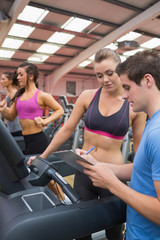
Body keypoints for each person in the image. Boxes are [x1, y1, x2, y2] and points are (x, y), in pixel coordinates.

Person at [28, 48, 146, 240]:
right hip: (83, 172)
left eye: (110, 73)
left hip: (112, 175)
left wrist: (142, 183)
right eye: (99, 75)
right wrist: (42, 157)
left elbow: (140, 150)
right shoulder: (87, 96)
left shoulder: (133, 105)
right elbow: (66, 130)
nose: (105, 79)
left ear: (120, 70)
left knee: (114, 231)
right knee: (82, 230)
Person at [77, 49, 160, 240]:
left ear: (148, 81)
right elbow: (142, 169)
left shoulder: (157, 133)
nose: (123, 96)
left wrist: (113, 185)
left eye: (127, 88)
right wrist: (99, 166)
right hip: (135, 231)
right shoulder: (152, 123)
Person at [0, 61, 64, 155]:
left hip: (38, 140)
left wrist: (45, 121)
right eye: (17, 75)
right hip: (25, 139)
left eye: (21, 75)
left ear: (31, 76)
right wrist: (4, 110)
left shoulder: (42, 95)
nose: (18, 78)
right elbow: (11, 116)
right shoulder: (18, 96)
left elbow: (60, 110)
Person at [0, 71, 22, 136]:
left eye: (3, 79)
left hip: (17, 129)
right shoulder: (8, 94)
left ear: (10, 81)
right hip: (11, 128)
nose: (1, 81)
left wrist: (3, 108)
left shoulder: (14, 92)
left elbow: (12, 113)